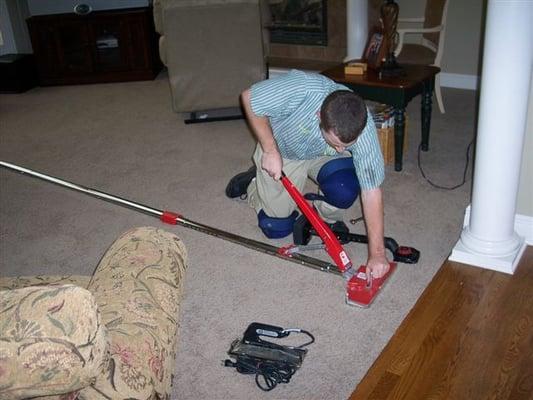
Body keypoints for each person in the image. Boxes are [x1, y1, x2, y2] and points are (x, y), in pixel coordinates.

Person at [226, 70, 389, 279]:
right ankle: (254, 181)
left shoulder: (363, 130)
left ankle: (325, 217)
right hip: (283, 152)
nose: (341, 150)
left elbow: (371, 191)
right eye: (336, 143)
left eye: (346, 145)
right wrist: (269, 150)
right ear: (318, 115)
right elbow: (249, 98)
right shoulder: (302, 88)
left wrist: (377, 254)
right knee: (275, 228)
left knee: (344, 187)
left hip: (323, 156)